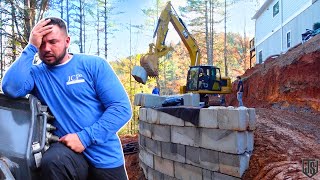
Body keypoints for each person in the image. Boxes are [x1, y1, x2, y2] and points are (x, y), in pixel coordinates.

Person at [1, 17, 132, 180]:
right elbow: (11, 88)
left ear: (67, 41)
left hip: (103, 156)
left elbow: (121, 108)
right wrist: (31, 47)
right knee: (53, 161)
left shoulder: (93, 65)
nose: (47, 48)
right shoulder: (36, 75)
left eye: (53, 42)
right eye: (42, 43)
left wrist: (84, 138)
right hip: (66, 154)